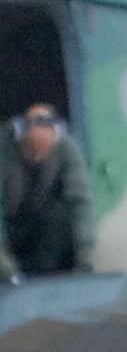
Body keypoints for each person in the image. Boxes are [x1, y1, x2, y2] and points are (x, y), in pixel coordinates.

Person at [1, 106, 94, 279]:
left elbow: (80, 203)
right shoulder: (4, 149)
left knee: (60, 214)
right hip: (9, 227)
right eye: (33, 149)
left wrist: (86, 254)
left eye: (44, 149)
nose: (38, 156)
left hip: (40, 231)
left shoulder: (66, 149)